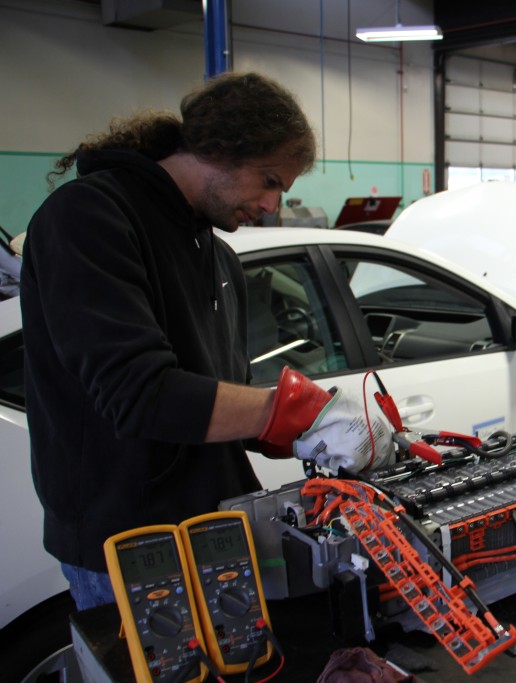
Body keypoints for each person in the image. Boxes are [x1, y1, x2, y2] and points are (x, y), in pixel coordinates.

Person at [20, 72, 389, 612]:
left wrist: (303, 436)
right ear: (220, 149)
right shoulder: (89, 218)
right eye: (267, 180)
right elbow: (140, 394)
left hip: (213, 527)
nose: (269, 204)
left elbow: (219, 397)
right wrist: (299, 410)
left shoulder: (219, 258)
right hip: (127, 543)